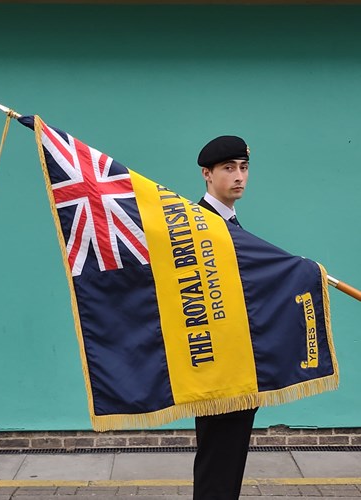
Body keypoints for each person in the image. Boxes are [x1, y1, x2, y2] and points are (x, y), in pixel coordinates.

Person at [193, 135, 258, 500]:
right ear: (207, 174)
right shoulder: (201, 227)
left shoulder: (230, 223)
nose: (239, 176)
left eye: (244, 168)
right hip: (219, 369)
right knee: (218, 463)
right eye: (229, 168)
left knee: (228, 462)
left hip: (238, 365)